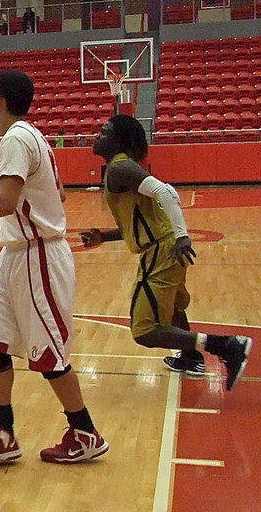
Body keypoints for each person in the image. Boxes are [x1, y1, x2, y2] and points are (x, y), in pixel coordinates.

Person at [0, 70, 108, 466]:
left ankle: (85, 432)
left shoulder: (15, 137)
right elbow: (53, 193)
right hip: (17, 254)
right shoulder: (32, 135)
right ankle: (3, 433)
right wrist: (6, 220)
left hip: (38, 257)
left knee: (49, 357)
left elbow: (7, 200)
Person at [83, 115, 252, 389]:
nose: (96, 136)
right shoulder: (120, 169)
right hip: (166, 245)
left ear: (118, 141)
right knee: (172, 306)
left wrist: (183, 236)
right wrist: (104, 236)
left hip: (164, 248)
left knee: (145, 330)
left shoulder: (120, 168)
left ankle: (226, 346)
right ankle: (189, 358)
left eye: (103, 132)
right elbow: (139, 224)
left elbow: (167, 193)